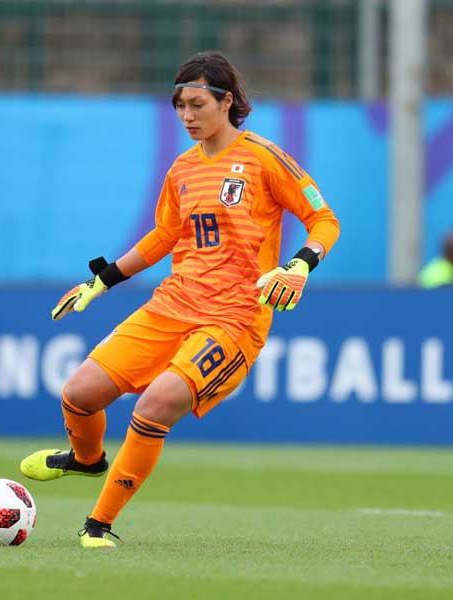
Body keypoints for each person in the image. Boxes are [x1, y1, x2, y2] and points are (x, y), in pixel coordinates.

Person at [19, 51, 341, 548]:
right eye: (179, 106)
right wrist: (103, 280)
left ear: (226, 101)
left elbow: (324, 219)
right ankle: (86, 460)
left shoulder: (264, 158)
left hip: (233, 319)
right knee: (79, 393)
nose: (187, 116)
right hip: (172, 305)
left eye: (196, 104)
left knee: (156, 404)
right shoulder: (182, 169)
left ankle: (98, 524)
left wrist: (300, 263)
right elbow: (165, 235)